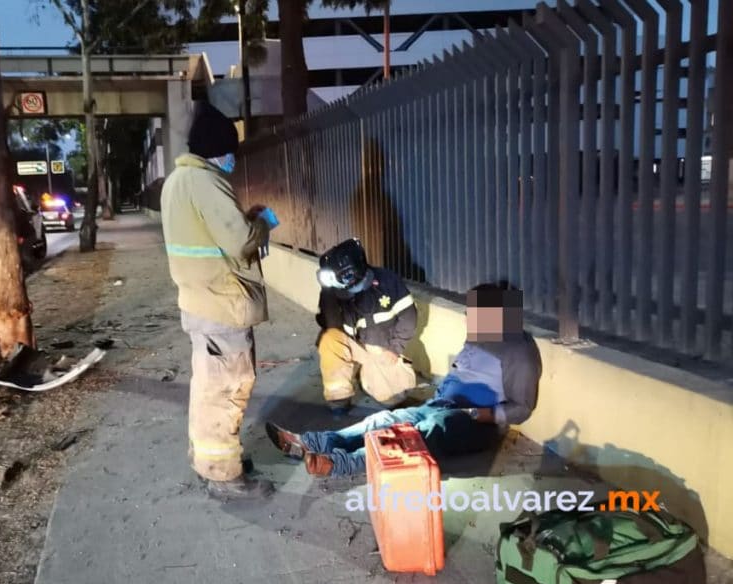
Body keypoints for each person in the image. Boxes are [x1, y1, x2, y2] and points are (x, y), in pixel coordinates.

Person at [266, 283, 542, 478]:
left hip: (476, 423)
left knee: (419, 433)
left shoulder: (519, 352)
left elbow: (523, 409)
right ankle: (314, 443)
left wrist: (484, 413)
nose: (471, 322)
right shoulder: (483, 334)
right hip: (442, 403)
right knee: (385, 421)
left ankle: (342, 464)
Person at [161, 101, 275, 501]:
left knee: (209, 386)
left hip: (200, 302)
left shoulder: (177, 181)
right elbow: (240, 241)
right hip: (221, 303)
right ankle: (224, 477)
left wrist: (245, 219)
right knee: (228, 388)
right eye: (231, 153)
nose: (233, 161)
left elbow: (211, 234)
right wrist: (261, 223)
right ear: (217, 150)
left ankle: (209, 461)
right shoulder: (206, 182)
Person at [314, 238, 418, 413]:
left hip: (383, 348)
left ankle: (368, 376)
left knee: (391, 399)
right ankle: (339, 400)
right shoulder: (333, 290)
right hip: (355, 344)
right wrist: (328, 293)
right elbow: (332, 326)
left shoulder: (388, 281)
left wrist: (395, 348)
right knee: (329, 340)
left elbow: (409, 318)